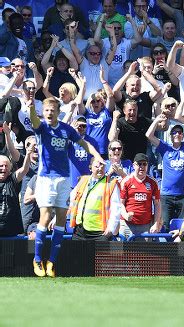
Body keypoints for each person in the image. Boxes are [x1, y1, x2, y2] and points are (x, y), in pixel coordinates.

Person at [30, 97, 105, 278]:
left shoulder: (66, 130)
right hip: (46, 178)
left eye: (52, 110)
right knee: (46, 216)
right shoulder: (42, 128)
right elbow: (33, 120)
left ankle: (52, 262)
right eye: (46, 110)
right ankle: (38, 259)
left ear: (58, 112)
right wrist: (32, 107)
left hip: (64, 179)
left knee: (62, 220)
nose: (49, 113)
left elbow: (83, 143)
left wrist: (95, 154)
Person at [145, 110, 184, 230]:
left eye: (180, 132)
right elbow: (149, 135)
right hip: (167, 195)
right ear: (170, 136)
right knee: (164, 225)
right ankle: (167, 248)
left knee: (182, 226)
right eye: (174, 132)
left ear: (182, 135)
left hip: (183, 195)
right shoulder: (164, 147)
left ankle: (180, 249)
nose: (177, 134)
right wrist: (156, 120)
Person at [68, 157, 121, 241]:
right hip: (80, 231)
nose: (100, 169)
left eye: (102, 166)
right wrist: (57, 217)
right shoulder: (83, 180)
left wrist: (111, 228)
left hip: (100, 233)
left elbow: (116, 208)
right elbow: (70, 201)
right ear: (90, 168)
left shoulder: (111, 184)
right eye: (97, 166)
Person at [119, 153, 162, 239]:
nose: (142, 167)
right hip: (127, 225)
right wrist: (126, 215)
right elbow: (120, 203)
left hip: (145, 225)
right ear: (134, 165)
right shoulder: (126, 181)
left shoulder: (153, 183)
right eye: (139, 164)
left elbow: (157, 204)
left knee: (144, 252)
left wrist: (156, 223)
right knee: (122, 251)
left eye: (144, 164)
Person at [0, 151, 32, 237]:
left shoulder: (12, 180)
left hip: (11, 228)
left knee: (10, 250)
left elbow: (25, 169)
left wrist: (28, 153)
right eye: (1, 166)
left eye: (6, 166)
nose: (4, 168)